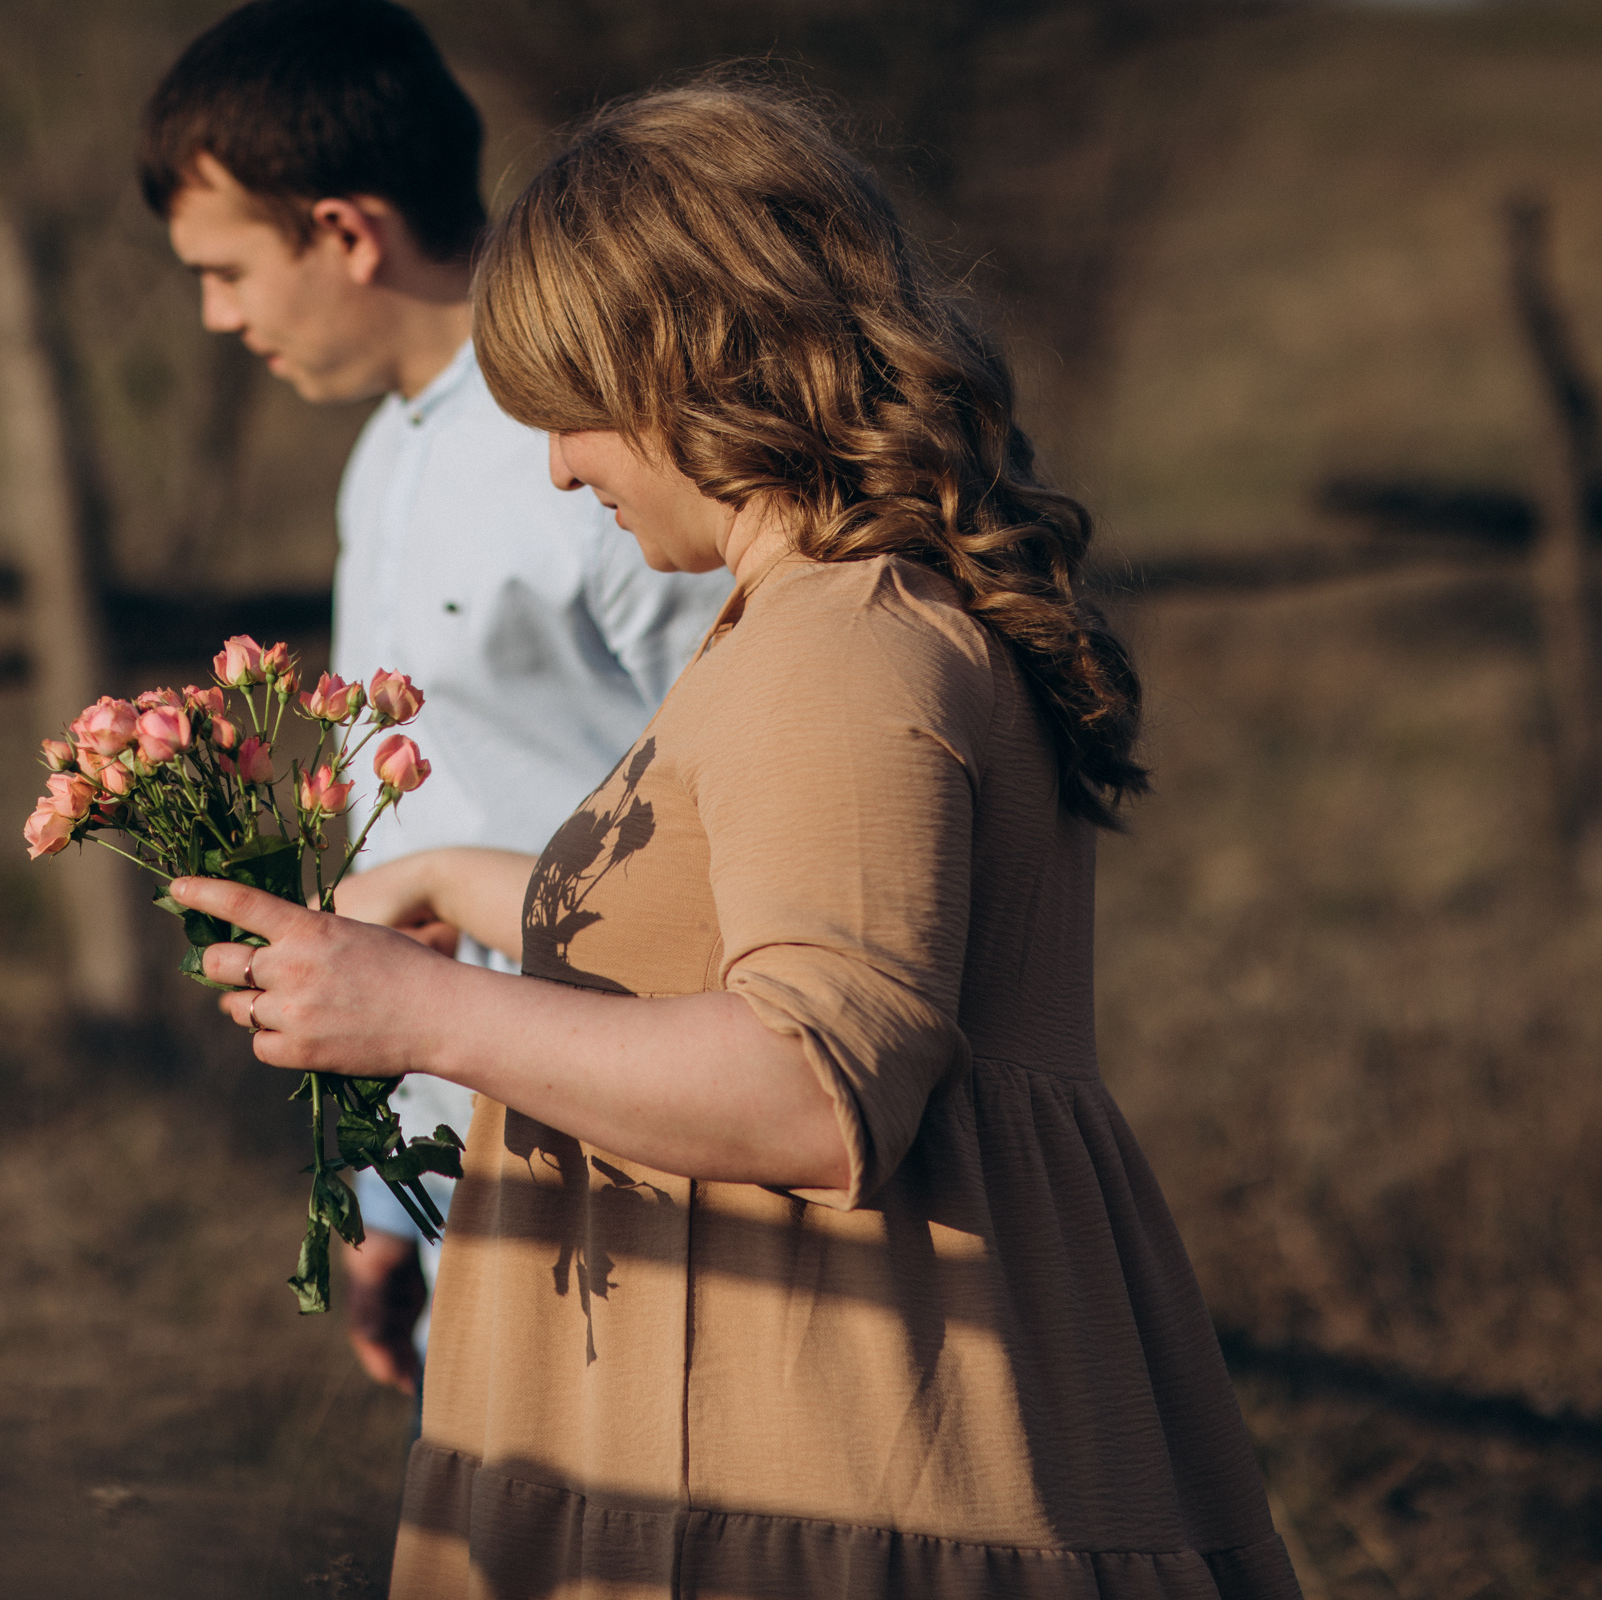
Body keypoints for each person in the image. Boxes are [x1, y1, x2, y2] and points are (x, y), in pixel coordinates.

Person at [169, 78, 1304, 1600]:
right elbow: (739, 921)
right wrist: (454, 883)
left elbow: (813, 1085)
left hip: (834, 1435)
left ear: (687, 371)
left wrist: (424, 1009)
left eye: (572, 418)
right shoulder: (807, 623)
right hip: (788, 1407)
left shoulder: (842, 651)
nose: (562, 469)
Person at [138, 0, 731, 1393]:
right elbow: (394, 849)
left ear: (345, 232)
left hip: (640, 1171)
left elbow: (755, 813)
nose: (217, 316)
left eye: (225, 270)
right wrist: (391, 1183)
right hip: (467, 1156)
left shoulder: (589, 446)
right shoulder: (382, 463)